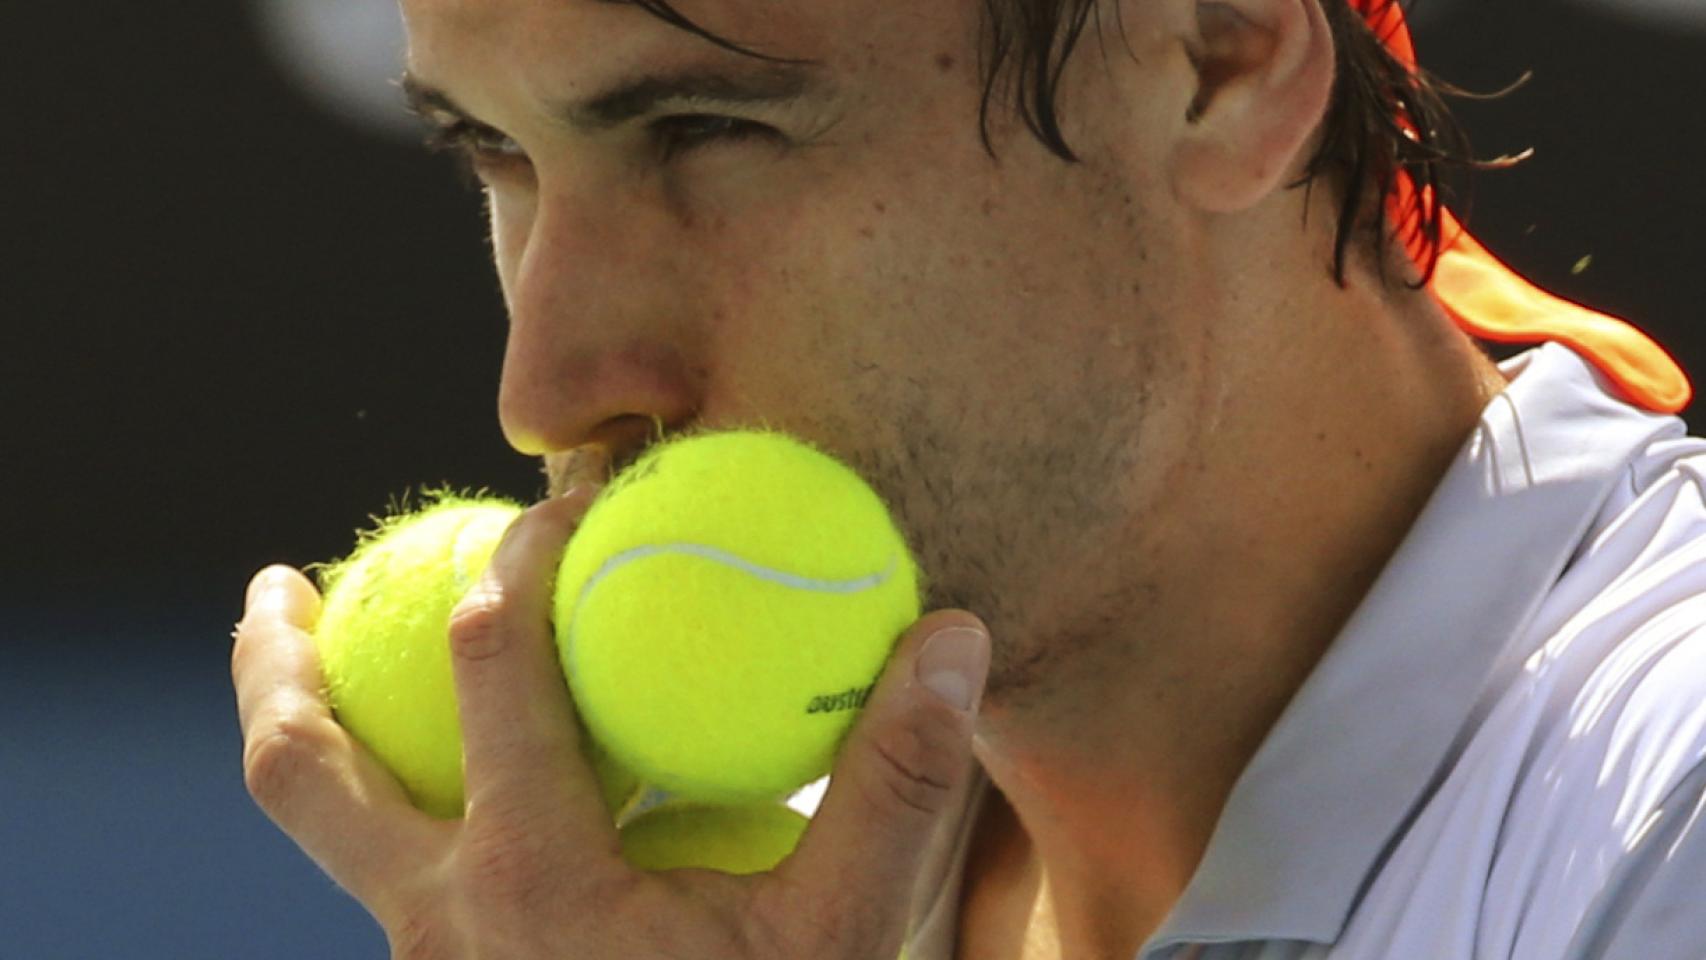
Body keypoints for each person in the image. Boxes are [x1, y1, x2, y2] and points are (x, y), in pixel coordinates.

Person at [230, 0, 1706, 957]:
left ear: (1219, 59)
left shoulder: (1669, 822)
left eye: (711, 132)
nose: (546, 390)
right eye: (495, 155)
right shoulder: (709, 883)